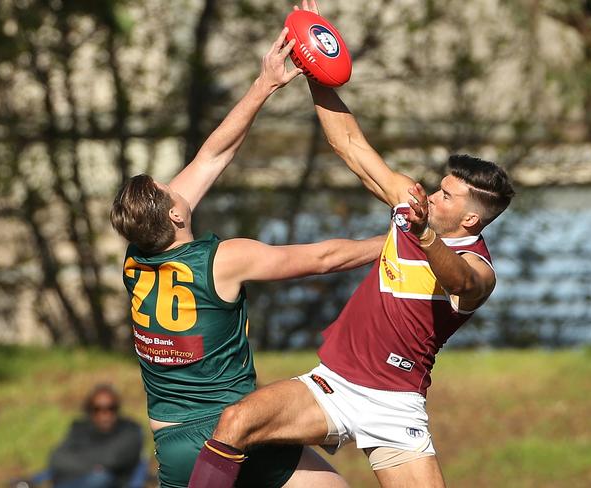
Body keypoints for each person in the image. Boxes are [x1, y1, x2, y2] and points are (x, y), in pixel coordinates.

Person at [189, 2, 516, 487]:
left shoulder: (478, 266)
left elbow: (460, 280)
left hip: (395, 406)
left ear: (470, 217)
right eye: (438, 186)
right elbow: (350, 144)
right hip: (334, 384)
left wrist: (422, 233)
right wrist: (314, 59)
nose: (432, 193)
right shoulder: (412, 199)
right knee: (236, 422)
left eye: (446, 195)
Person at [109, 26, 429, 488]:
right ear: (176, 214)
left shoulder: (136, 257)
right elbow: (323, 258)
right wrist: (397, 242)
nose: (176, 184)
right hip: (234, 429)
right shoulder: (223, 260)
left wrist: (265, 84)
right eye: (168, 188)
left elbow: (214, 155)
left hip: (171, 441)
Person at [48, 384, 144, 488]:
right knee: (45, 474)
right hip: (77, 479)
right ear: (89, 410)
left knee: (100, 478)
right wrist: (94, 466)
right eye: (97, 409)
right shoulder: (79, 429)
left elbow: (113, 458)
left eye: (110, 408)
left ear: (117, 409)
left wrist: (79, 458)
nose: (105, 415)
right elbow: (57, 458)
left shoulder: (130, 430)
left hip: (113, 483)